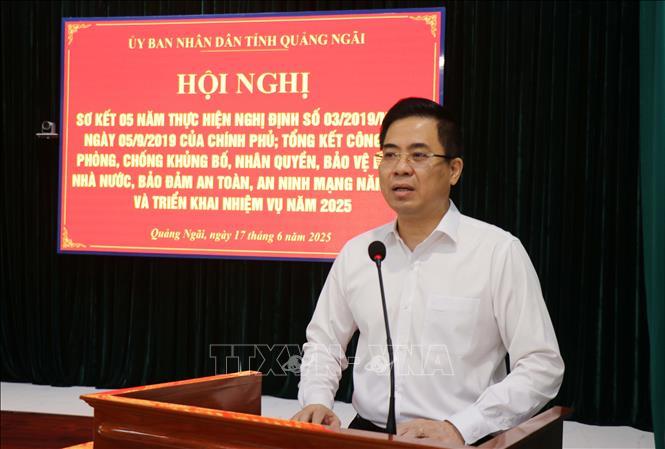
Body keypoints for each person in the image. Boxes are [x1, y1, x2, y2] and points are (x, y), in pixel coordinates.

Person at [291, 97, 564, 445]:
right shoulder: (360, 252)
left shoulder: (497, 252)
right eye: (390, 155)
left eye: (418, 155)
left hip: (459, 437)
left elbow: (541, 365)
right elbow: (324, 343)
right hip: (366, 434)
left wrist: (460, 426)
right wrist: (316, 399)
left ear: (454, 170)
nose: (400, 168)